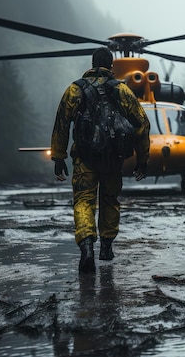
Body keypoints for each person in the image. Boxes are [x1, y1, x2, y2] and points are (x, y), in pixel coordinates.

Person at [50, 47, 150, 273]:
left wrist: (58, 156)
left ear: (92, 63)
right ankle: (106, 247)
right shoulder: (122, 90)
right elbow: (142, 125)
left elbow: (62, 123)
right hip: (113, 159)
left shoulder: (75, 90)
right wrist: (142, 159)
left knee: (84, 201)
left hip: (84, 158)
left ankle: (87, 247)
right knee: (110, 199)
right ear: (111, 66)